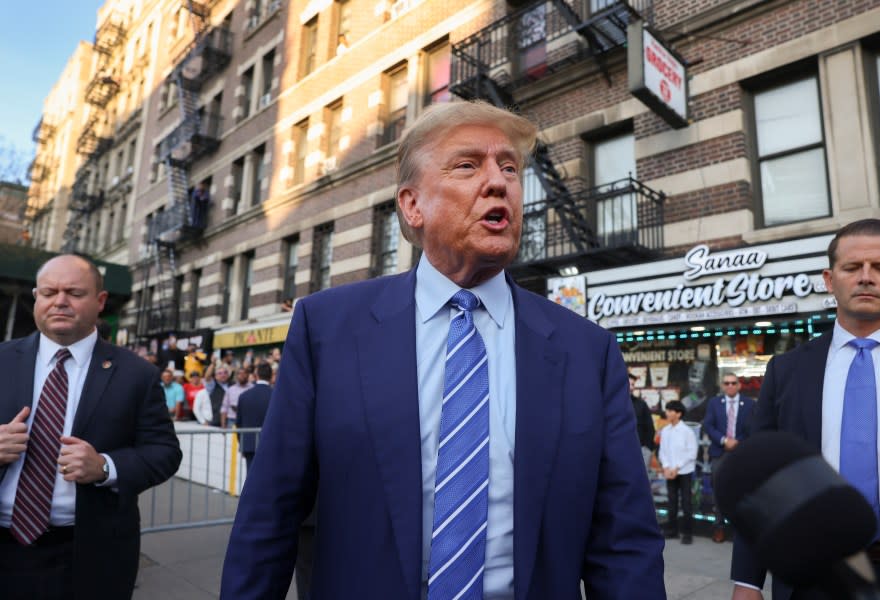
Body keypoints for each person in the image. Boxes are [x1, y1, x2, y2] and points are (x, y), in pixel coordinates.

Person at [220, 100, 664, 599]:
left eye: (510, 168)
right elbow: (269, 516)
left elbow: (624, 543)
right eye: (468, 165)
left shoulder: (588, 351)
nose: (498, 182)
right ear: (412, 206)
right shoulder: (326, 329)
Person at [731, 219, 880, 600]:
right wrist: (747, 579)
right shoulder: (787, 369)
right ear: (829, 279)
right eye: (852, 267)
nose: (866, 278)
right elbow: (762, 478)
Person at [0, 254, 182, 599]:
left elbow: (165, 453)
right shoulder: (2, 360)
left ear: (100, 302)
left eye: (74, 292)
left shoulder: (136, 375)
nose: (60, 302)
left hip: (90, 556)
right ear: (36, 297)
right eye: (49, 292)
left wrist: (105, 467)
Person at [703, 372, 755, 543]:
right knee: (719, 491)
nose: (730, 386)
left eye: (734, 383)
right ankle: (719, 527)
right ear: (723, 385)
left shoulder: (749, 404)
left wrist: (737, 442)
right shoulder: (714, 403)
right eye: (727, 383)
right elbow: (708, 425)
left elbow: (752, 427)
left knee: (742, 490)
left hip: (741, 452)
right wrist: (724, 440)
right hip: (720, 452)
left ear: (739, 385)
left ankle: (741, 529)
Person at [659, 400, 698, 545]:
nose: (667, 413)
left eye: (670, 411)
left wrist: (677, 468)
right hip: (670, 472)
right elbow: (662, 451)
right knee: (672, 502)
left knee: (686, 503)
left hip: (684, 472)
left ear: (679, 414)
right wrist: (667, 467)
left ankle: (687, 533)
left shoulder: (687, 431)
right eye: (667, 410)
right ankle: (672, 531)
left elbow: (692, 453)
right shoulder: (665, 430)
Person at [235, 362, 272, 470]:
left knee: (251, 478)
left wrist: (242, 443)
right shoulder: (275, 396)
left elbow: (239, 423)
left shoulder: (244, 396)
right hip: (270, 445)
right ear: (270, 376)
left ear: (256, 375)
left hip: (249, 444)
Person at [629, 372, 656, 475]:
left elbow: (650, 427)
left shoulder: (641, 404)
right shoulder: (612, 404)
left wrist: (647, 448)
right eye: (629, 384)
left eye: (633, 384)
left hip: (641, 450)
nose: (632, 387)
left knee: (642, 482)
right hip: (619, 451)